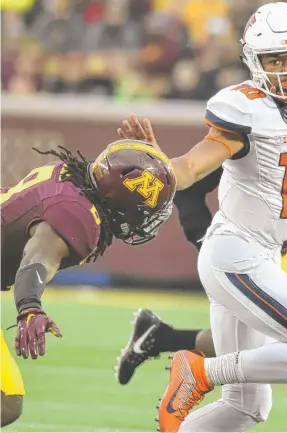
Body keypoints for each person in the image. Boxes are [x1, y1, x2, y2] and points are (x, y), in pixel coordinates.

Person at [118, 3, 287, 432]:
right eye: (274, 60)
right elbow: (192, 166)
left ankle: (199, 376)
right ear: (254, 62)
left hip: (264, 256)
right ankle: (201, 372)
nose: (286, 69)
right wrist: (158, 165)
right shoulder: (245, 108)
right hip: (236, 253)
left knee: (245, 408)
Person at [0, 139, 176, 427]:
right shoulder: (78, 217)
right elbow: (37, 258)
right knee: (6, 401)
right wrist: (30, 306)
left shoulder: (74, 176)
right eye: (146, 207)